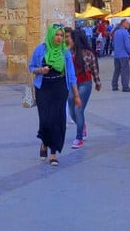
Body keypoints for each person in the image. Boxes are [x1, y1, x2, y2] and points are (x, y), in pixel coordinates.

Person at [29, 25, 81, 166]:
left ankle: (53, 153)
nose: (59, 38)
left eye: (61, 35)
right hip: (43, 89)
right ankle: (44, 143)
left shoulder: (65, 52)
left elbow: (71, 75)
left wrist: (76, 95)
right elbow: (31, 67)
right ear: (51, 35)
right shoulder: (40, 50)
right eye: (56, 35)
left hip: (59, 89)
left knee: (57, 121)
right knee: (45, 120)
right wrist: (40, 70)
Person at [67, 29, 100, 149]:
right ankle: (82, 126)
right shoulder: (68, 52)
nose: (67, 39)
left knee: (78, 110)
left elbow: (94, 69)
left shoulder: (88, 54)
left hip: (85, 84)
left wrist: (97, 82)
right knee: (71, 110)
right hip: (72, 84)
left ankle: (79, 137)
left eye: (69, 38)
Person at [111, 19, 130, 92]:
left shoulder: (116, 32)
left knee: (116, 70)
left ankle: (114, 85)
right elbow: (127, 45)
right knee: (125, 71)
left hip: (116, 55)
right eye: (127, 23)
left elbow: (113, 44)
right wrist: (129, 53)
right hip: (124, 55)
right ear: (123, 24)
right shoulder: (125, 33)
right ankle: (125, 86)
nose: (128, 25)